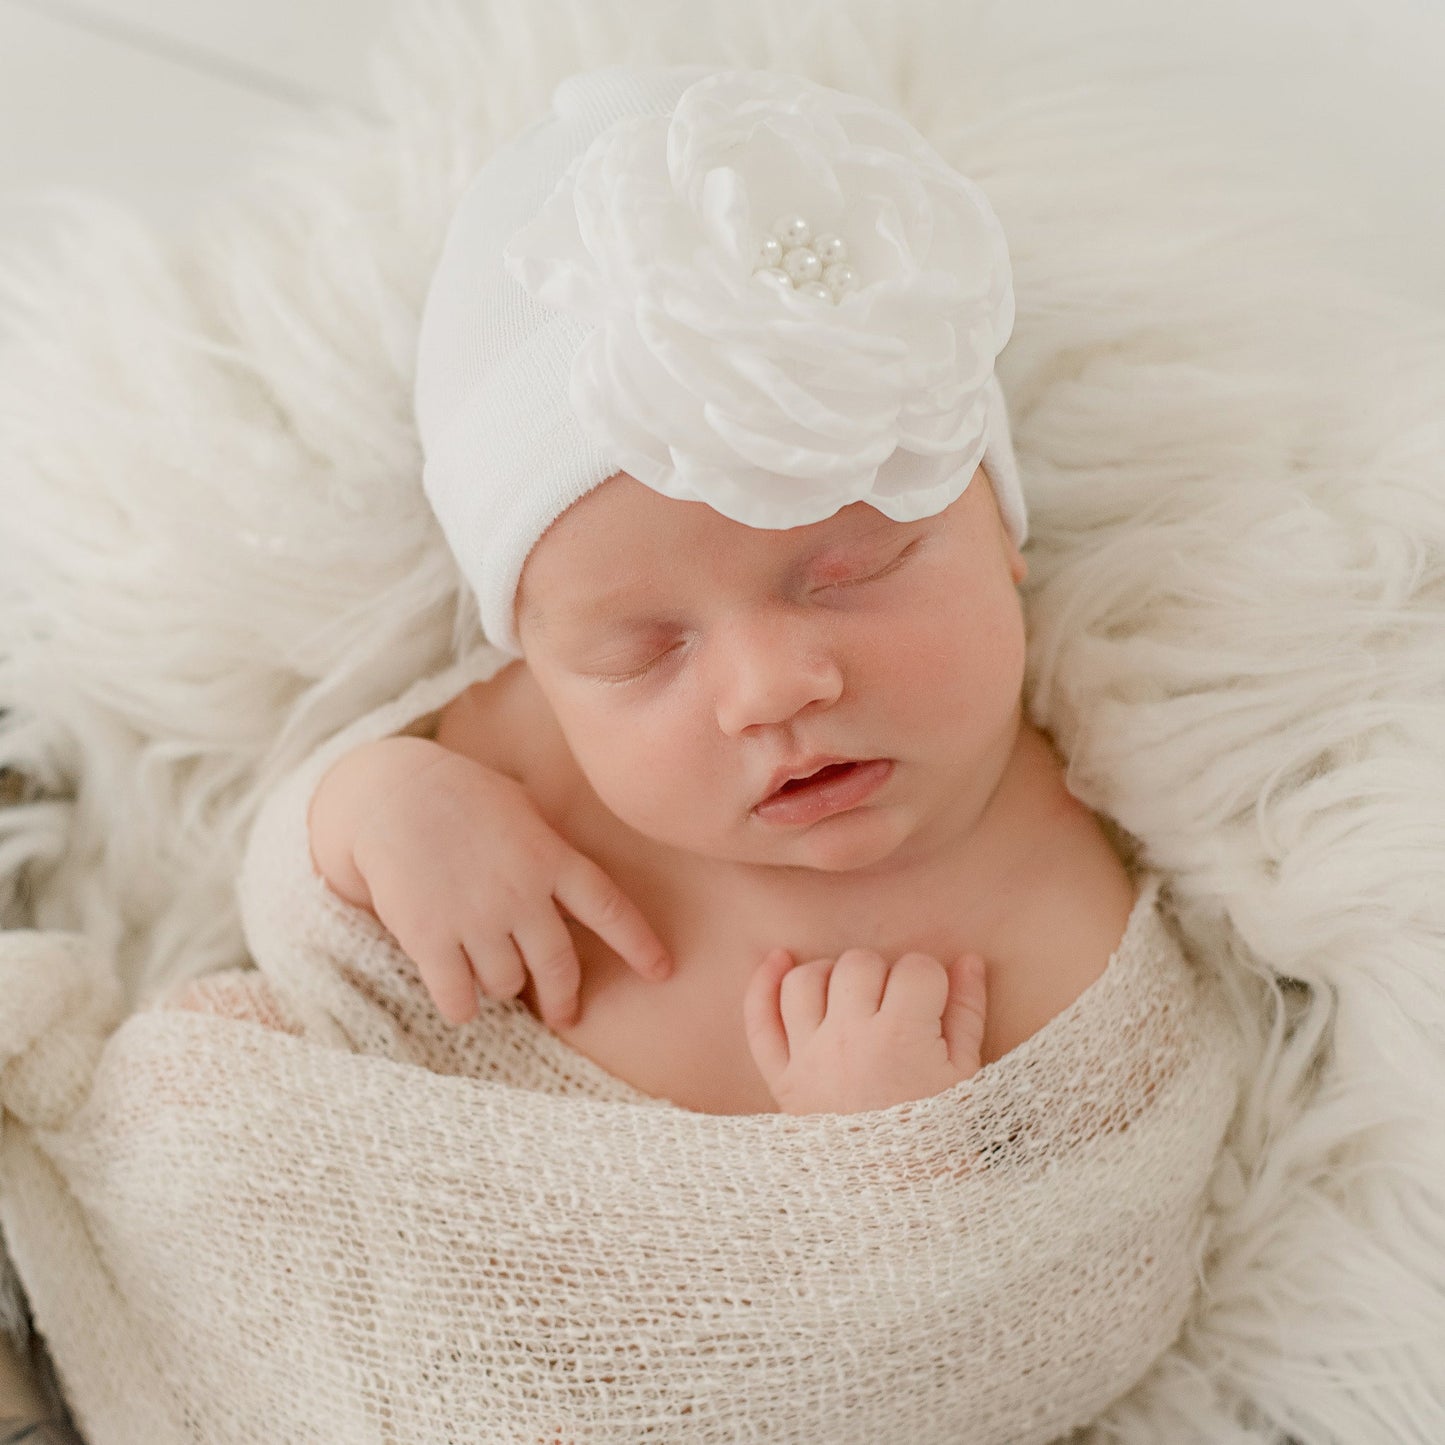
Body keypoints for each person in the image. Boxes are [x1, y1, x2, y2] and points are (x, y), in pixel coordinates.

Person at [301, 62, 1141, 1117]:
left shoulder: (1058, 935)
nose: (769, 689)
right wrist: (372, 807)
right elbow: (291, 937)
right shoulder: (520, 762)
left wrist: (895, 1175)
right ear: (545, 666)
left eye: (855, 570)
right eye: (642, 649)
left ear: (998, 532)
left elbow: (1108, 1261)